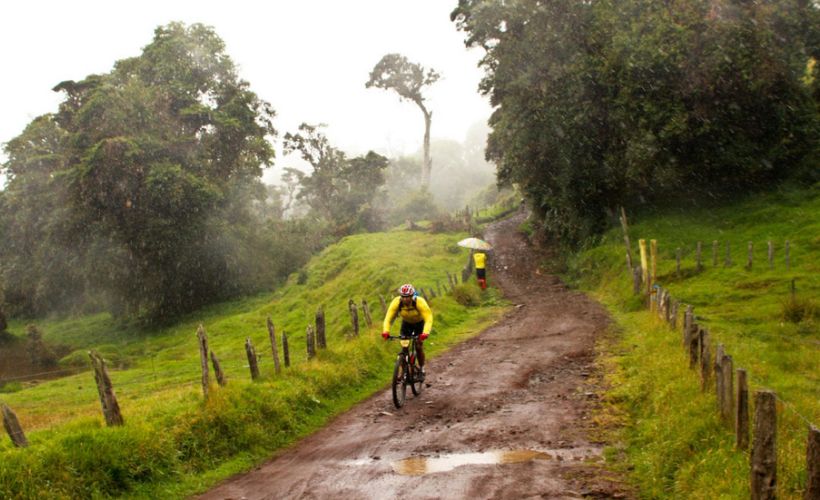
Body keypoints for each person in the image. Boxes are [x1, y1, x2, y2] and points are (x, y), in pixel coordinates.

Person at [381, 283, 433, 380]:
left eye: (408, 297)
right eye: (403, 297)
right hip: (406, 324)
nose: (405, 299)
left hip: (419, 324)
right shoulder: (397, 302)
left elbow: (428, 318)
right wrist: (386, 331)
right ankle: (404, 372)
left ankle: (421, 369)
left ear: (412, 296)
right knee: (404, 347)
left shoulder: (420, 302)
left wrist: (425, 333)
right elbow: (388, 318)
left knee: (418, 346)